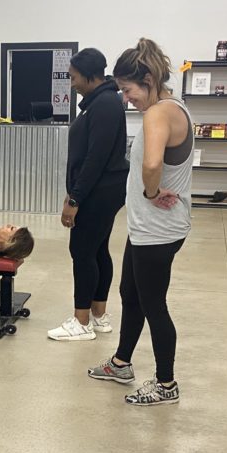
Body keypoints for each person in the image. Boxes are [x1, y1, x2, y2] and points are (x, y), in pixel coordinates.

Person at [87, 38, 192, 406]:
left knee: (153, 304)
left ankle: (166, 384)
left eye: (127, 89)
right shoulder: (172, 107)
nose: (126, 97)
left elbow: (151, 164)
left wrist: (149, 194)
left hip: (158, 230)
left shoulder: (158, 113)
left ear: (146, 78)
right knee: (131, 295)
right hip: (148, 228)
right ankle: (121, 364)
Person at [48, 47, 129, 342]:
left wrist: (75, 199)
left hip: (99, 192)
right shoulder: (100, 102)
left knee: (82, 251)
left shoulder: (105, 104)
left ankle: (81, 321)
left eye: (74, 77)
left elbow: (96, 159)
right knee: (96, 250)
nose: (71, 82)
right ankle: (98, 315)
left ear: (90, 76)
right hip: (101, 190)